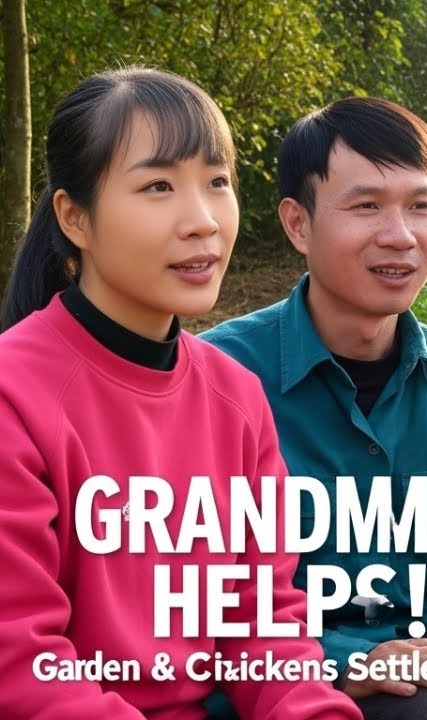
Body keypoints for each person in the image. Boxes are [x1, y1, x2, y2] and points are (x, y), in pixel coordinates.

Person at [0, 67, 359, 719]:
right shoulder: (14, 396)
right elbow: (23, 667)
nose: (202, 221)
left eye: (217, 182)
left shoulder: (236, 397)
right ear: (75, 217)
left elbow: (263, 626)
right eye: (158, 186)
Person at [201, 96, 427, 719]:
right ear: (298, 225)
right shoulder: (215, 382)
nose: (400, 236)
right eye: (367, 206)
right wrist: (344, 659)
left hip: (422, 685)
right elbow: (175, 597)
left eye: (420, 206)